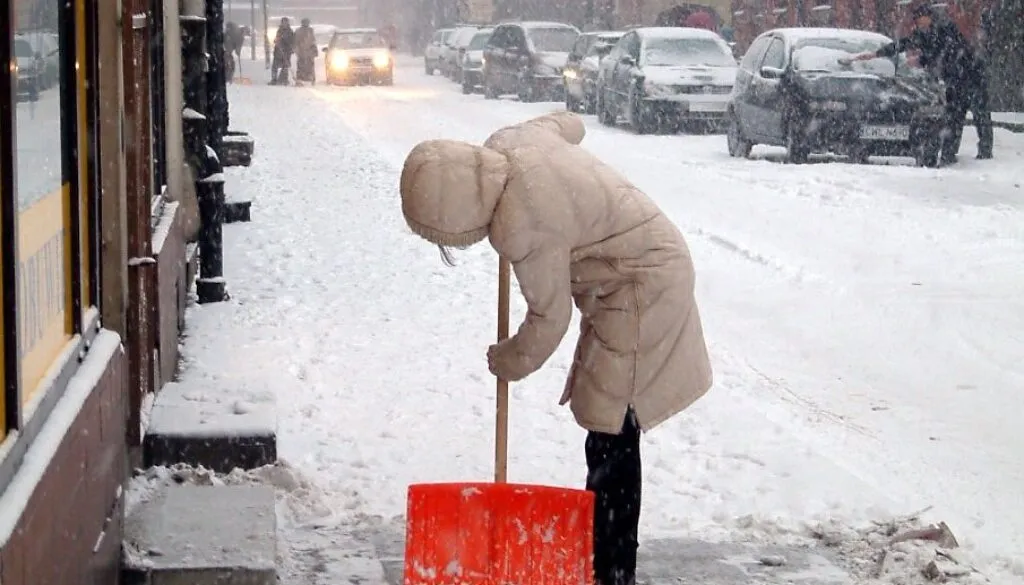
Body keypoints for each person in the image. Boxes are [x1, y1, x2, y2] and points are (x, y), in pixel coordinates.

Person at [398, 112, 714, 585]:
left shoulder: (524, 224)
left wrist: (509, 358)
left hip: (641, 286)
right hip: (636, 266)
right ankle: (604, 552)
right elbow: (570, 125)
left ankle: (613, 569)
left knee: (611, 422)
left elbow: (550, 319)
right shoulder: (510, 140)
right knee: (606, 420)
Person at [849, 4, 993, 163]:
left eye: (921, 19)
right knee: (954, 117)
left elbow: (946, 53)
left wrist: (922, 60)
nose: (920, 23)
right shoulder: (923, 34)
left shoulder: (946, 29)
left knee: (980, 115)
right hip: (954, 81)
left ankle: (985, 152)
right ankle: (949, 154)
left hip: (972, 77)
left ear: (929, 17)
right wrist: (876, 54)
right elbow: (903, 44)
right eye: (917, 21)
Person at [270, 17, 295, 85]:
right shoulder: (279, 30)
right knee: (275, 66)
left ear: (287, 23)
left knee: (285, 66)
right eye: (283, 22)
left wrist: (288, 46)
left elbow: (292, 41)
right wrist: (276, 40)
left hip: (286, 52)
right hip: (278, 52)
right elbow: (277, 38)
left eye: (286, 22)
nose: (284, 24)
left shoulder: (290, 31)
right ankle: (274, 79)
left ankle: (284, 79)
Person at [294, 18, 318, 85]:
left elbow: (313, 41)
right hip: (301, 51)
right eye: (305, 22)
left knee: (310, 66)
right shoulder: (298, 31)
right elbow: (295, 42)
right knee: (301, 66)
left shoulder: (310, 30)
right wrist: (297, 50)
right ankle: (300, 79)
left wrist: (314, 50)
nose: (306, 24)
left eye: (307, 22)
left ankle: (311, 78)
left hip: (309, 51)